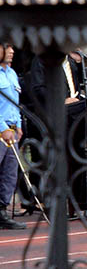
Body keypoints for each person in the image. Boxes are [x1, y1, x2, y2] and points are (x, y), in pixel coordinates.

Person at [0, 42, 26, 230]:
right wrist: (2, 127)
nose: (11, 51)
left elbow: (15, 103)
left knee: (10, 172)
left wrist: (18, 124)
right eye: (7, 47)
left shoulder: (12, 73)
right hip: (1, 129)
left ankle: (1, 209)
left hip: (11, 129)